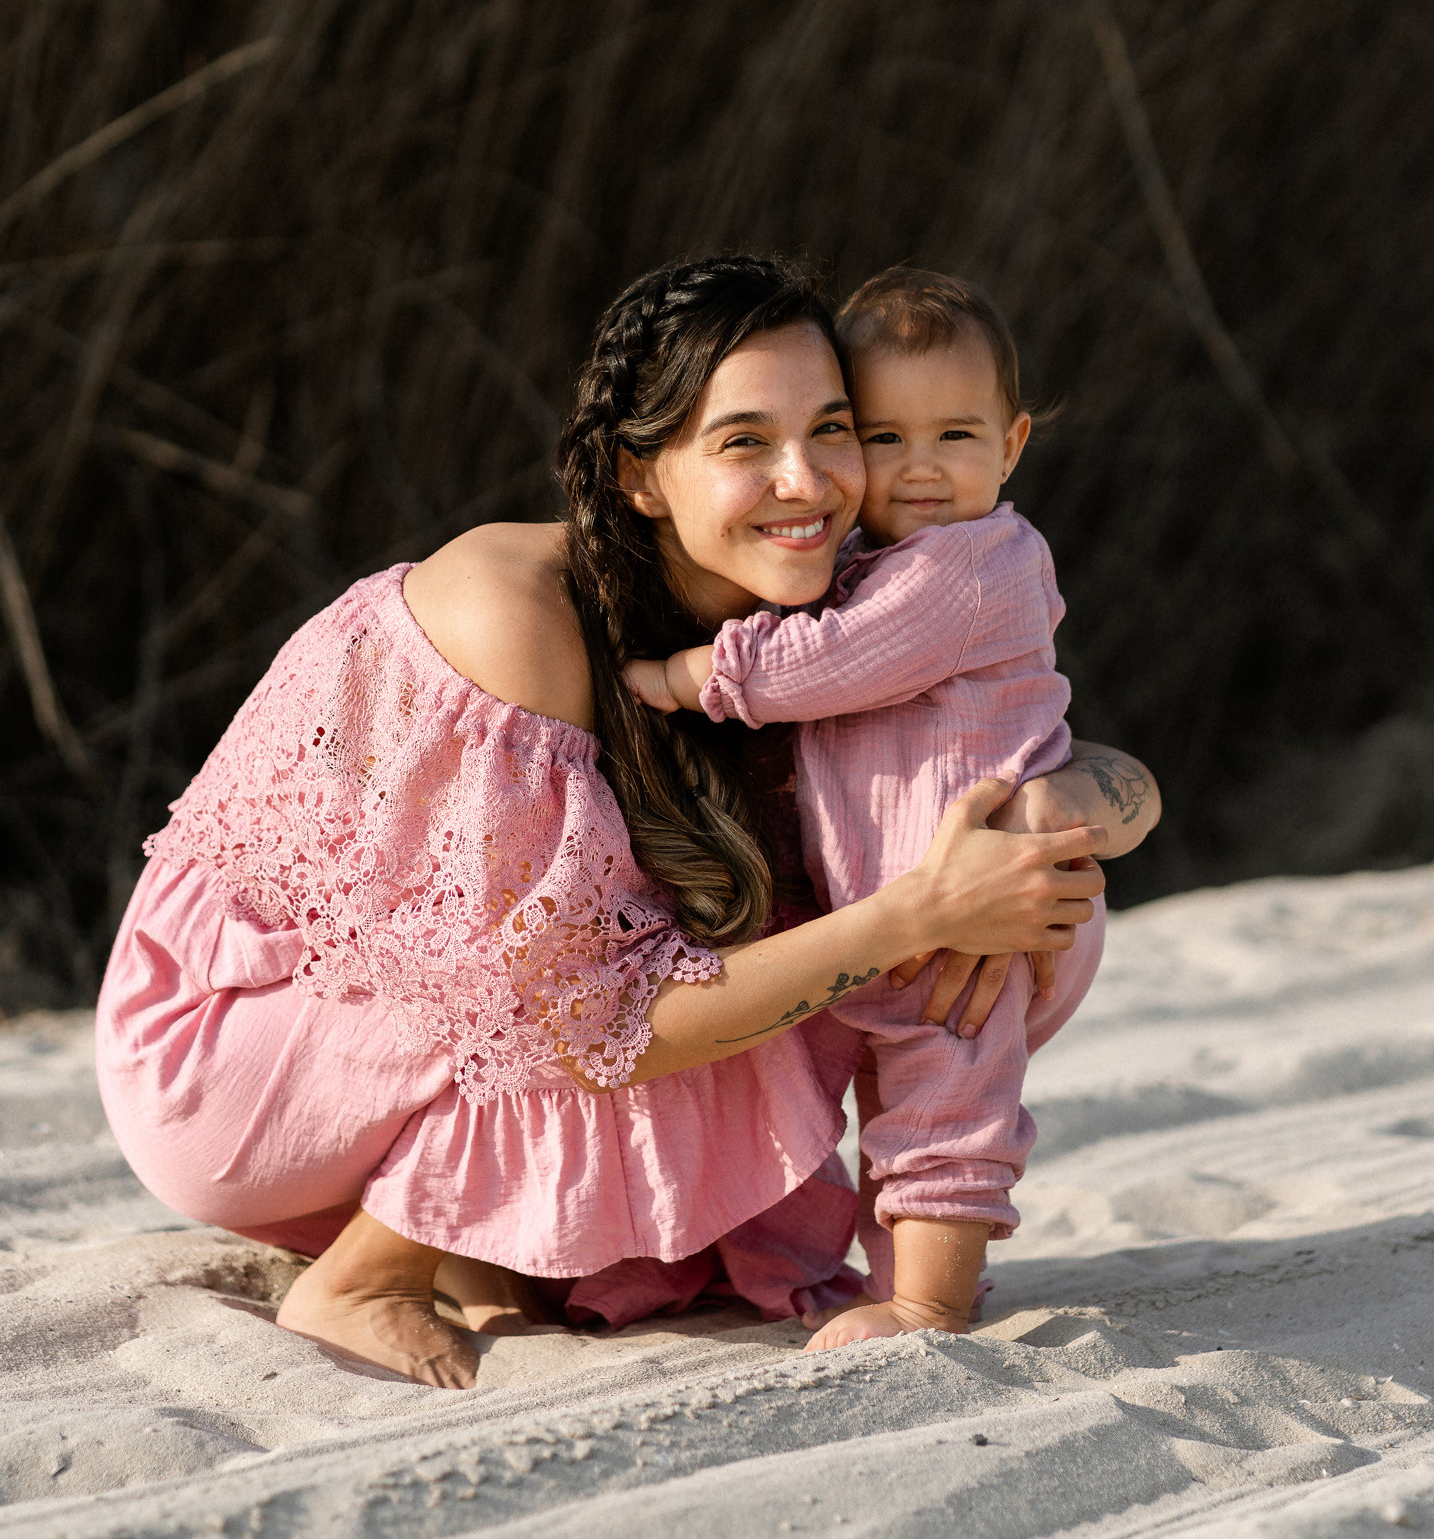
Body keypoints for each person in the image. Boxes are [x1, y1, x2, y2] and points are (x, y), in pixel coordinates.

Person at [95, 255, 1157, 1389]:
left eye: (835, 429)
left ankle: (483, 1239)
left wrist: (1048, 816)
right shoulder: (518, 612)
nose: (806, 480)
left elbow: (1056, 751)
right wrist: (913, 914)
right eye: (743, 442)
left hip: (452, 1027)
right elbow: (584, 1019)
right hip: (236, 1053)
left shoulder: (826, 582)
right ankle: (370, 1276)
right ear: (642, 477)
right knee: (839, 940)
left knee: (1022, 910)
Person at [624, 267, 1127, 1347]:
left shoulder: (978, 562)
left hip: (995, 907)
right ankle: (823, 1273)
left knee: (944, 1101)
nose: (921, 469)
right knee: (847, 1098)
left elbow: (836, 662)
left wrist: (686, 678)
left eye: (955, 435)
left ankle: (928, 1302)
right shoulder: (865, 557)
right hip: (900, 908)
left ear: (1014, 442)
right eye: (885, 438)